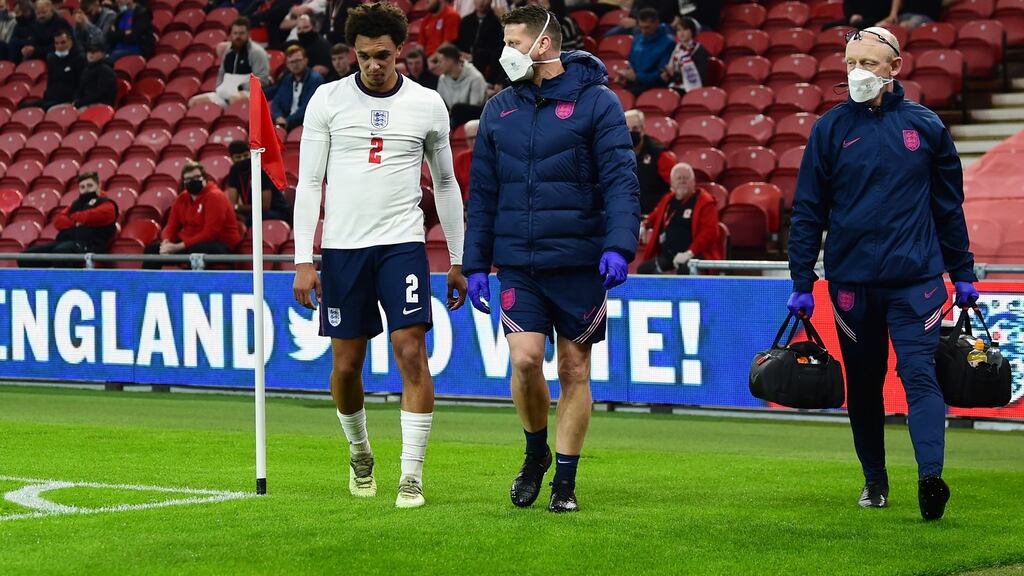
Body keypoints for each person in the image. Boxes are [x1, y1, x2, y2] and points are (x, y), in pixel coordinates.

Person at [787, 27, 979, 521]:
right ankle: (875, 481)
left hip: (916, 281)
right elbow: (808, 211)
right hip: (852, 285)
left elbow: (948, 209)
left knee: (919, 375)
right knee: (864, 383)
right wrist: (801, 281)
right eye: (850, 63)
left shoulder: (927, 127)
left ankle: (930, 477)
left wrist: (963, 274)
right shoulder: (829, 130)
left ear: (895, 67)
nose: (857, 73)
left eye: (868, 64)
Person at [464, 5, 640, 513]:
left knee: (575, 369)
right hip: (519, 261)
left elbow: (621, 181)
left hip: (580, 261)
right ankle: (535, 450)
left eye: (513, 42)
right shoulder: (499, 110)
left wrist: (618, 245)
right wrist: (477, 264)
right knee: (523, 362)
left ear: (543, 43)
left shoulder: (597, 103)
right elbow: (484, 196)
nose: (505, 53)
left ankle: (565, 481)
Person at [291, 1, 467, 509]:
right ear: (353, 54)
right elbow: (309, 183)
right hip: (343, 249)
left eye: (383, 55)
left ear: (401, 53)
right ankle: (360, 453)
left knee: (411, 351)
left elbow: (447, 182)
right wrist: (306, 258)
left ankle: (411, 475)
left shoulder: (428, 105)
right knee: (347, 366)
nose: (373, 64)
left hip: (402, 245)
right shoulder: (326, 100)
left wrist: (456, 257)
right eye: (364, 56)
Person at [143, 160, 241, 268]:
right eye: (188, 179)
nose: (192, 181)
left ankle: (190, 284)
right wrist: (166, 243)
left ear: (204, 179)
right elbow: (172, 226)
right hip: (190, 243)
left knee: (196, 251)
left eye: (196, 178)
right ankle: (148, 284)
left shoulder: (215, 197)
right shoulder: (182, 198)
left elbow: (210, 233)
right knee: (152, 250)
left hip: (220, 244)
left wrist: (178, 246)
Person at [637, 163, 721, 274]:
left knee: (685, 270)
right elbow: (654, 216)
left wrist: (690, 253)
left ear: (693, 182)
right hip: (668, 256)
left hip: (696, 255)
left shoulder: (705, 202)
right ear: (672, 183)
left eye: (686, 178)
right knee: (644, 270)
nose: (682, 181)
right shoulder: (667, 200)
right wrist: (644, 225)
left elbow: (710, 232)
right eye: (678, 178)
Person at [20, 172, 117, 268]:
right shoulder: (75, 204)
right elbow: (58, 221)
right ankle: (38, 283)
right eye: (82, 187)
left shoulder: (107, 204)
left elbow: (94, 216)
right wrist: (76, 222)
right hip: (64, 242)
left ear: (98, 186)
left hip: (89, 245)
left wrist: (74, 217)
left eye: (90, 186)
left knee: (60, 252)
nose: (86, 190)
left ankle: (67, 283)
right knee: (26, 257)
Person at [190, 18, 269, 107]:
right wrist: (219, 87)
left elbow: (263, 78)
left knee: (234, 100)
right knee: (194, 102)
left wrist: (242, 88)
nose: (238, 37)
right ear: (231, 34)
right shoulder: (228, 51)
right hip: (225, 92)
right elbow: (222, 72)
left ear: (248, 34)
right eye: (235, 33)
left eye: (241, 33)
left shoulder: (256, 52)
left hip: (246, 93)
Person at [224, 140, 292, 225]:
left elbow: (264, 206)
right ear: (232, 159)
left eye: (245, 155)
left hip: (276, 211)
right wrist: (236, 209)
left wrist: (238, 208)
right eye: (238, 157)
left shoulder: (261, 169)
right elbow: (232, 203)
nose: (243, 159)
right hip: (253, 211)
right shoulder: (234, 170)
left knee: (249, 220)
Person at [624, 109, 676, 216]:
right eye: (627, 129)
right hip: (627, 215)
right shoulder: (618, 154)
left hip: (653, 216)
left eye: (635, 128)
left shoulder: (659, 155)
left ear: (643, 130)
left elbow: (675, 188)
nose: (630, 132)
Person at [19, 30, 85, 110]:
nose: (60, 46)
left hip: (66, 99)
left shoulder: (79, 58)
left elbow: (81, 83)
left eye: (63, 42)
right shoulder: (52, 59)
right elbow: (50, 81)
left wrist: (75, 100)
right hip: (50, 98)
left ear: (70, 42)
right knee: (23, 106)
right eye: (56, 43)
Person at [614, 8, 674, 96]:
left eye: (647, 27)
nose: (643, 31)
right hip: (635, 84)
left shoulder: (668, 43)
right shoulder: (637, 39)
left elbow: (662, 75)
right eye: (641, 27)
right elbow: (632, 64)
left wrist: (637, 77)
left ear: (657, 23)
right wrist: (625, 76)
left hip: (653, 87)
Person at [270, 45, 324, 130]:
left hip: (306, 124)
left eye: (298, 60)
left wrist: (287, 121)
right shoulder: (287, 79)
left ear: (306, 60)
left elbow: (308, 107)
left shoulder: (316, 79)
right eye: (292, 62)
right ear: (287, 64)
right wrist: (278, 117)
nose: (295, 64)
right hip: (285, 123)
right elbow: (276, 102)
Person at [433, 43, 486, 124]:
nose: (438, 65)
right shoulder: (442, 79)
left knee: (457, 109)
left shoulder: (475, 78)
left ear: (450, 61)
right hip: (452, 118)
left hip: (473, 120)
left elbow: (473, 109)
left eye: (440, 61)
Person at [456, 0, 503, 81]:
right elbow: (459, 44)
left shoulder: (497, 23)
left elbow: (496, 49)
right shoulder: (465, 21)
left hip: (485, 66)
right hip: (464, 62)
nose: (481, 2)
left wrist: (474, 56)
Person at [661, 15, 707, 94]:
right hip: (674, 86)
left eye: (685, 29)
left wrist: (675, 75)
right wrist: (667, 75)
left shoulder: (699, 50)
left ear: (692, 31)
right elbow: (672, 69)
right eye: (678, 30)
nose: (681, 33)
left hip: (692, 89)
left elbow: (700, 76)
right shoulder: (677, 48)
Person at [75, 42, 118, 109]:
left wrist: (81, 102)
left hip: (100, 105)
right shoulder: (87, 69)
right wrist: (76, 100)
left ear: (103, 54)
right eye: (89, 51)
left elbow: (100, 94)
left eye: (94, 51)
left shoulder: (106, 71)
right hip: (85, 103)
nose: (91, 54)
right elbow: (81, 89)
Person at [454, 118, 477, 202]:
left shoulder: (495, 157)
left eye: (476, 137)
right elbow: (457, 190)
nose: (474, 141)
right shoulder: (460, 159)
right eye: (470, 138)